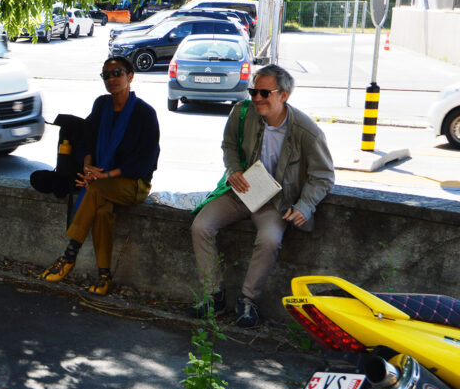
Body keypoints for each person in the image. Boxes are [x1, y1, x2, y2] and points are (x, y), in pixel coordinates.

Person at [187, 64, 334, 327]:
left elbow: (323, 175)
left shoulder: (306, 131)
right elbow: (229, 145)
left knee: (269, 239)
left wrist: (305, 205)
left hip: (275, 202)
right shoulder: (242, 113)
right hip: (241, 191)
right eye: (253, 91)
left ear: (283, 96)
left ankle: (247, 301)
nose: (256, 98)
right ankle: (214, 296)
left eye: (264, 93)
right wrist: (234, 170)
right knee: (201, 226)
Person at [39, 56, 160, 295]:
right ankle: (104, 278)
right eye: (107, 75)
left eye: (118, 73)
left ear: (130, 76)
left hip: (133, 183)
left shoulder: (144, 113)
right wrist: (87, 167)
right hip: (101, 180)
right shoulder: (101, 105)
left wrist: (103, 176)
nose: (112, 79)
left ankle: (69, 255)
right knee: (102, 212)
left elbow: (146, 160)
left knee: (94, 190)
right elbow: (86, 139)